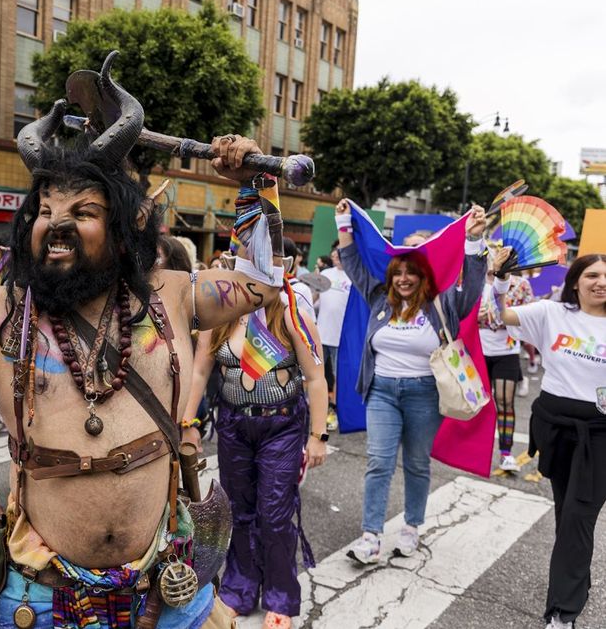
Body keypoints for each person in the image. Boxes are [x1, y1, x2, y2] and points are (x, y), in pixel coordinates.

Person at [0, 73, 301, 628]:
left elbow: (258, 285)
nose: (56, 224)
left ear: (123, 231)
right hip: (39, 602)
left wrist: (255, 184)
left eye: (82, 212)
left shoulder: (169, 297)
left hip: (164, 592)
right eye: (43, 212)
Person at [334, 197, 487, 564]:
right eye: (398, 271)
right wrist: (343, 224)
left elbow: (474, 285)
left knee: (417, 464)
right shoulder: (379, 300)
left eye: (411, 272)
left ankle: (411, 528)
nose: (403, 279)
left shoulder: (443, 302)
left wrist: (475, 241)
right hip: (382, 391)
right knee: (378, 462)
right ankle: (371, 536)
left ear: (424, 274)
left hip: (424, 394)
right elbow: (353, 263)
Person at [183, 272, 328, 628]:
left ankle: (280, 596)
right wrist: (187, 424)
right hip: (234, 425)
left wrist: (317, 435)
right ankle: (238, 589)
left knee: (275, 514)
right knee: (238, 511)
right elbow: (200, 372)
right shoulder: (219, 316)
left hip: (281, 427)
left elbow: (316, 377)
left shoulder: (291, 314)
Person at [494, 252, 606, 629]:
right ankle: (574, 582)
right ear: (576, 281)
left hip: (600, 437)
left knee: (578, 516)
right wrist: (499, 281)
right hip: (555, 429)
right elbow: (504, 315)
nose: (600, 282)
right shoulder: (551, 313)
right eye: (592, 275)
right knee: (566, 516)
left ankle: (563, 614)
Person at [478, 260, 534, 472]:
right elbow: (458, 312)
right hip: (477, 349)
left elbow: (529, 315)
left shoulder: (520, 285)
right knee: (475, 403)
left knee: (504, 402)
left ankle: (506, 453)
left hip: (507, 351)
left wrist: (504, 316)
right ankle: (472, 450)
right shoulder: (474, 281)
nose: (495, 261)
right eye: (492, 255)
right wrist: (477, 317)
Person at [317, 241, 351, 433]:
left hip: (341, 338)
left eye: (340, 252)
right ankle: (315, 410)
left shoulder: (354, 277)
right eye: (334, 252)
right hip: (321, 334)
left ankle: (334, 411)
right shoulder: (325, 275)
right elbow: (315, 302)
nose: (336, 255)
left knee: (339, 378)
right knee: (316, 374)